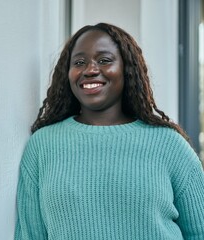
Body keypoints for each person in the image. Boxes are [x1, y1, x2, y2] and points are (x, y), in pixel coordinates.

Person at [14, 23, 204, 239]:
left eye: (104, 60)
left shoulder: (169, 144)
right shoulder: (42, 146)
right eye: (79, 62)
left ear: (127, 69)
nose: (90, 70)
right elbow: (31, 235)